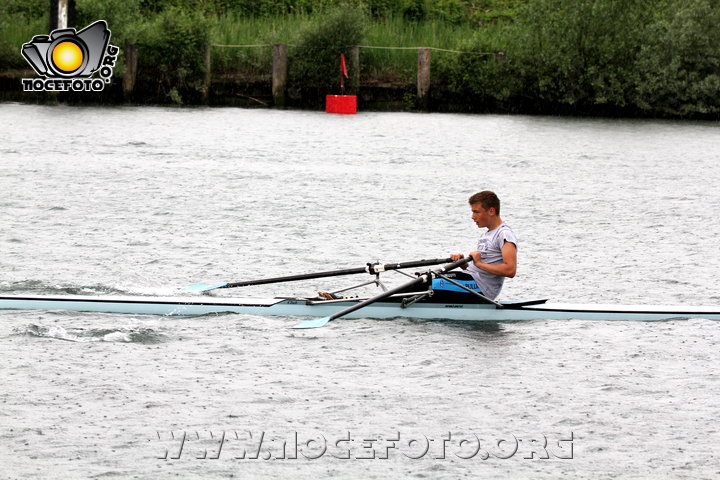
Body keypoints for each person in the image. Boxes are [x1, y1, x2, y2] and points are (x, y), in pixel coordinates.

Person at [450, 190, 517, 300]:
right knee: (427, 279)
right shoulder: (485, 235)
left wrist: (479, 263)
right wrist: (462, 264)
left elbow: (510, 270)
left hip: (481, 289)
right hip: (472, 281)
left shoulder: (504, 234)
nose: (472, 216)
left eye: (476, 212)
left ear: (491, 211)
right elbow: (478, 269)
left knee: (432, 283)